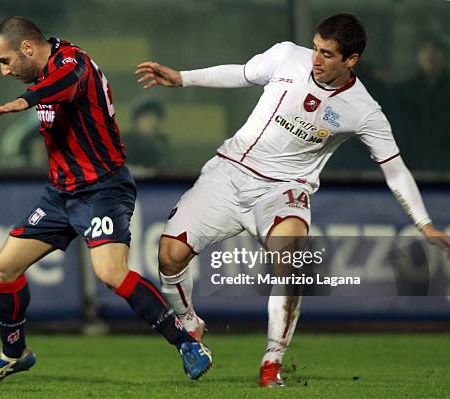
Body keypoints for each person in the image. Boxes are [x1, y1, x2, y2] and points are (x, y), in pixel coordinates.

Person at [135, 13, 450, 387]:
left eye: (328, 54)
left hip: (283, 189)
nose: (316, 60)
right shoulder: (287, 56)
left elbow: (395, 168)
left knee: (290, 258)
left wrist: (424, 223)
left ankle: (272, 363)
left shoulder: (364, 110)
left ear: (351, 60)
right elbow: (242, 73)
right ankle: (189, 322)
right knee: (169, 255)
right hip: (229, 172)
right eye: (316, 48)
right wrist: (183, 78)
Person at [0, 16, 212, 384]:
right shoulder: (42, 74)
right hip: (60, 193)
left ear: (26, 48)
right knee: (3, 269)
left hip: (103, 188)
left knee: (111, 273)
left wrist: (23, 103)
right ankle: (14, 352)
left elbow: (64, 84)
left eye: (5, 61)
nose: (4, 71)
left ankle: (187, 343)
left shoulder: (71, 61)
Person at [391, 35, 450, 171]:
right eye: (425, 50)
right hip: (412, 165)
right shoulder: (401, 92)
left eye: (437, 50)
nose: (431, 55)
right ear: (418, 56)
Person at [122, 98, 171, 173]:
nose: (154, 122)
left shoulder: (161, 143)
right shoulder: (124, 142)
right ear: (137, 120)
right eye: (148, 117)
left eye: (157, 117)